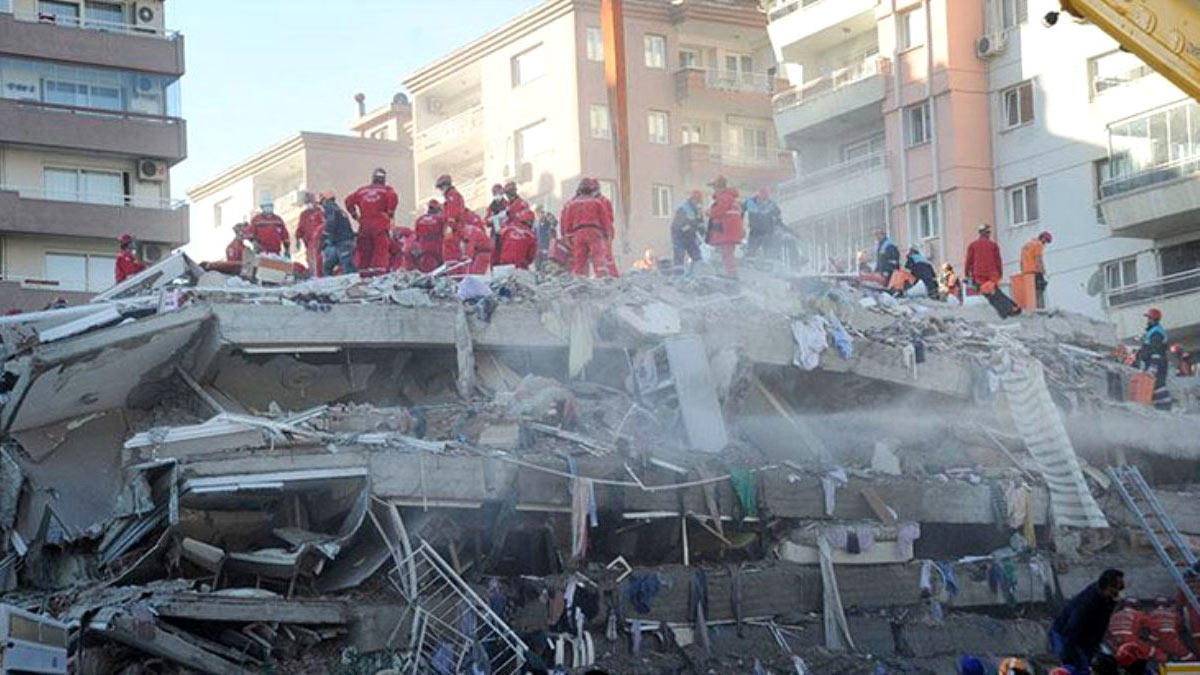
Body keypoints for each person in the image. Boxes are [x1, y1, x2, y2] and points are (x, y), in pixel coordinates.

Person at [1049, 568, 1124, 671]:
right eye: (1117, 589)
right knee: (1076, 666)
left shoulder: (1107, 600)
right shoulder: (1087, 603)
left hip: (1084, 636)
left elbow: (1101, 625)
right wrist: (1071, 657)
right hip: (1065, 635)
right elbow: (1072, 630)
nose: (1119, 593)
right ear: (1108, 587)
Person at [345, 168, 398, 271]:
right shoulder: (387, 190)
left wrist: (355, 215)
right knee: (380, 250)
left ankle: (363, 273)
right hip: (380, 225)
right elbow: (393, 200)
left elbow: (348, 201)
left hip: (364, 225)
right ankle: (378, 273)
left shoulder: (362, 191)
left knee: (364, 252)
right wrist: (390, 215)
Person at [560, 178, 611, 278]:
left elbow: (567, 223)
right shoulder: (597, 202)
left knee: (580, 262)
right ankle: (603, 281)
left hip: (578, 235)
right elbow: (605, 221)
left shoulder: (571, 204)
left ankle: (580, 284)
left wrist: (566, 237)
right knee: (599, 259)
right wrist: (608, 235)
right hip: (595, 233)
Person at [706, 176, 743, 278]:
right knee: (726, 254)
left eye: (714, 187)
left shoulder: (724, 197)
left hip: (726, 232)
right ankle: (728, 273)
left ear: (718, 187)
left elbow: (718, 211)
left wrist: (709, 212)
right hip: (729, 231)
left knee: (727, 254)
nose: (713, 189)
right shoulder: (730, 198)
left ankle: (731, 275)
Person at [1136, 308, 1172, 410]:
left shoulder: (1156, 333)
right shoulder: (1154, 331)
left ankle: (1165, 409)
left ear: (1152, 319)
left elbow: (1156, 351)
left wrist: (1153, 367)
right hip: (1155, 362)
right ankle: (1161, 408)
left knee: (1158, 386)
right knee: (1155, 387)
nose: (1147, 320)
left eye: (1148, 318)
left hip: (1157, 363)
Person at [319, 191, 356, 276]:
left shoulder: (330, 208)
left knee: (347, 268)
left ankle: (352, 284)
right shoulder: (338, 209)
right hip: (343, 242)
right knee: (328, 266)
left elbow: (331, 222)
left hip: (342, 242)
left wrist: (324, 235)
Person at [1148, 596, 1195, 661]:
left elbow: (1152, 628)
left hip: (1159, 640)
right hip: (1172, 639)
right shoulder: (1173, 614)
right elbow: (1179, 625)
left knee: (1155, 653)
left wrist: (1152, 641)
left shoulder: (1152, 614)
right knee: (1187, 656)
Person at [742, 187, 782, 259]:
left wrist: (777, 226)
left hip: (767, 232)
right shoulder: (750, 202)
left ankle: (769, 262)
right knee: (751, 250)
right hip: (755, 231)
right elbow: (741, 210)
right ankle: (749, 260)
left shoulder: (771, 204)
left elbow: (778, 215)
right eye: (761, 198)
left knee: (768, 251)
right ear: (758, 196)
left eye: (765, 199)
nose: (763, 201)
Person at [671, 190, 705, 272]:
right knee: (679, 254)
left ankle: (695, 274)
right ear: (693, 199)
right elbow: (679, 225)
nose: (699, 204)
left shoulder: (697, 210)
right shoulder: (683, 208)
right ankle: (678, 276)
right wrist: (691, 229)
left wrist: (703, 234)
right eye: (698, 201)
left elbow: (700, 223)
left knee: (696, 255)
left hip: (690, 235)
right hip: (679, 235)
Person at [294, 191, 325, 277]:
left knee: (319, 259)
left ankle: (319, 275)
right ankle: (314, 274)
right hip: (309, 242)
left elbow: (324, 226)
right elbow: (300, 228)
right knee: (311, 259)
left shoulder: (320, 212)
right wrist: (297, 239)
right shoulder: (304, 214)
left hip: (319, 241)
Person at [964, 224, 1002, 289]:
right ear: (988, 233)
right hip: (992, 276)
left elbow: (968, 261)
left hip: (979, 276)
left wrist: (967, 274)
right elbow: (998, 261)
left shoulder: (973, 245)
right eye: (988, 232)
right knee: (994, 295)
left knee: (981, 295)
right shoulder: (993, 245)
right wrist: (1000, 274)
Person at [1021, 231, 1053, 308]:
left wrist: (1023, 271)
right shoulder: (1038, 245)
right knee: (1039, 290)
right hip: (1035, 271)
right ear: (1043, 238)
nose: (1045, 244)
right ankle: (1039, 307)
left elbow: (1021, 260)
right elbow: (1038, 259)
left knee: (1030, 292)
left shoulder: (1027, 245)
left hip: (1026, 272)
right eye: (1046, 241)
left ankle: (1032, 306)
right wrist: (1043, 270)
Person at [413, 200, 445, 273]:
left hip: (423, 246)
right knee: (440, 269)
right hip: (437, 246)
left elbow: (417, 235)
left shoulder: (420, 219)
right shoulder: (440, 219)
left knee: (425, 268)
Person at [462, 210, 493, 275]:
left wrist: (465, 260)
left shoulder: (468, 231)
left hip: (484, 252)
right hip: (481, 250)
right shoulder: (468, 227)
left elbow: (469, 250)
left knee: (475, 275)